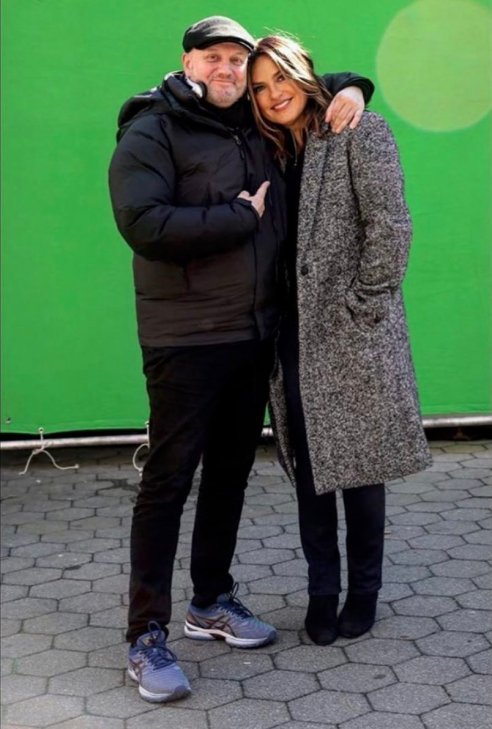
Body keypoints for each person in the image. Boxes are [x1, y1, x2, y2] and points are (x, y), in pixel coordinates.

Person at [109, 16, 374, 702]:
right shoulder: (152, 128)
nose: (228, 71)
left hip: (252, 334)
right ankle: (145, 633)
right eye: (214, 58)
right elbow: (143, 224)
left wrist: (355, 86)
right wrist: (238, 217)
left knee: (229, 475)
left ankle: (210, 601)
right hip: (185, 338)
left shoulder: (253, 123)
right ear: (187, 62)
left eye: (237, 60)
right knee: (168, 482)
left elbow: (301, 92)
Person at [247, 35, 432, 647]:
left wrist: (364, 305)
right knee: (312, 470)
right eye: (260, 87)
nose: (273, 94)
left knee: (360, 467)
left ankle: (364, 592)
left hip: (352, 331)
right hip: (294, 336)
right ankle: (322, 591)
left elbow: (390, 225)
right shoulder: (269, 149)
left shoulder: (358, 129)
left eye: (281, 78)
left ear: (304, 73)